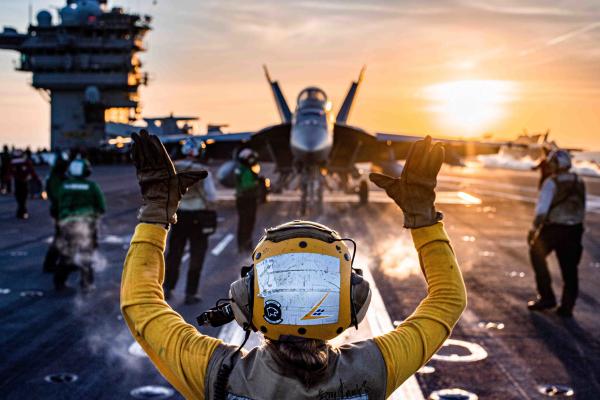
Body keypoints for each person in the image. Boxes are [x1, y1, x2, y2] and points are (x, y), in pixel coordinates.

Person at [121, 132, 466, 400]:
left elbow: (140, 305)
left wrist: (156, 211)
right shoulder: (374, 369)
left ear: (245, 300)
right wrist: (423, 219)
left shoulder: (218, 374)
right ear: (353, 299)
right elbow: (448, 300)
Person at [527, 149, 585, 317]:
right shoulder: (579, 181)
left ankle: (547, 297)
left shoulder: (551, 183)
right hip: (574, 230)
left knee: (536, 255)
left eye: (551, 162)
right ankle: (567, 307)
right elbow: (582, 207)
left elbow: (541, 211)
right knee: (570, 269)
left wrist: (533, 229)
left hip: (553, 229)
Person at [164, 138, 218, 305]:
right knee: (197, 256)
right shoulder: (203, 170)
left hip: (179, 216)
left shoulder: (174, 167)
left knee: (174, 255)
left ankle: (167, 289)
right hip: (198, 217)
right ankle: (190, 293)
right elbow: (212, 196)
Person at [54, 158, 106, 292]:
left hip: (66, 224)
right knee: (87, 254)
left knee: (66, 252)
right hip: (87, 225)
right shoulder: (91, 186)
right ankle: (87, 283)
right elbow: (101, 207)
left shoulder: (64, 185)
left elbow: (57, 203)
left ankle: (59, 282)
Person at [43, 152, 70, 273]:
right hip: (60, 211)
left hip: (62, 211)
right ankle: (50, 264)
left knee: (65, 237)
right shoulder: (56, 177)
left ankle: (64, 262)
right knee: (60, 238)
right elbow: (56, 195)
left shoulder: (59, 175)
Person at [234, 148, 260, 252]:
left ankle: (241, 245)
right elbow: (247, 185)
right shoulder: (246, 171)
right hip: (248, 199)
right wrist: (257, 183)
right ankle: (247, 245)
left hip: (240, 199)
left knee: (242, 222)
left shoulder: (239, 169)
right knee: (249, 222)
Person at [11, 149, 38, 219]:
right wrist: (36, 178)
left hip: (17, 181)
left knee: (19, 197)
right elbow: (31, 169)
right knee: (23, 197)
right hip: (24, 181)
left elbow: (9, 171)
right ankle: (23, 211)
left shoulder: (12, 161)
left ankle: (21, 211)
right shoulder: (25, 160)